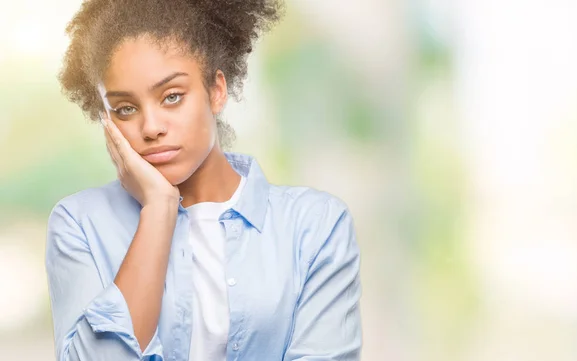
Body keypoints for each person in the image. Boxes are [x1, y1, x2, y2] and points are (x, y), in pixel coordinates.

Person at [45, 0, 362, 360]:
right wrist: (159, 210)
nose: (151, 128)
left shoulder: (314, 226)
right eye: (126, 109)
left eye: (172, 97)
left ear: (216, 91)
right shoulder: (79, 225)